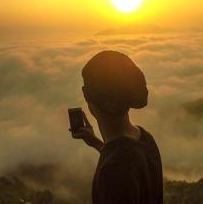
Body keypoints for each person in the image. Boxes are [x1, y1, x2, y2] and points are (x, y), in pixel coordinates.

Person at [70, 50, 163, 204]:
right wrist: (96, 143)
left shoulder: (113, 173)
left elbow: (120, 166)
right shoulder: (145, 139)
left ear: (87, 97)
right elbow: (127, 159)